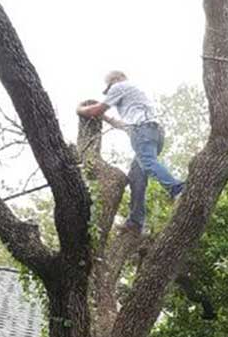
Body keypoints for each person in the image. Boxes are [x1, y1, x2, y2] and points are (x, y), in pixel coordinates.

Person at [77, 71, 184, 231]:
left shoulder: (120, 86)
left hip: (143, 132)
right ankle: (135, 222)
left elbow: (96, 110)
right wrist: (106, 118)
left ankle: (179, 189)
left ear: (115, 80)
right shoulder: (134, 101)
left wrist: (80, 110)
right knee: (136, 176)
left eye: (109, 88)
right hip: (153, 132)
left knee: (148, 162)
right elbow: (124, 125)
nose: (109, 92)